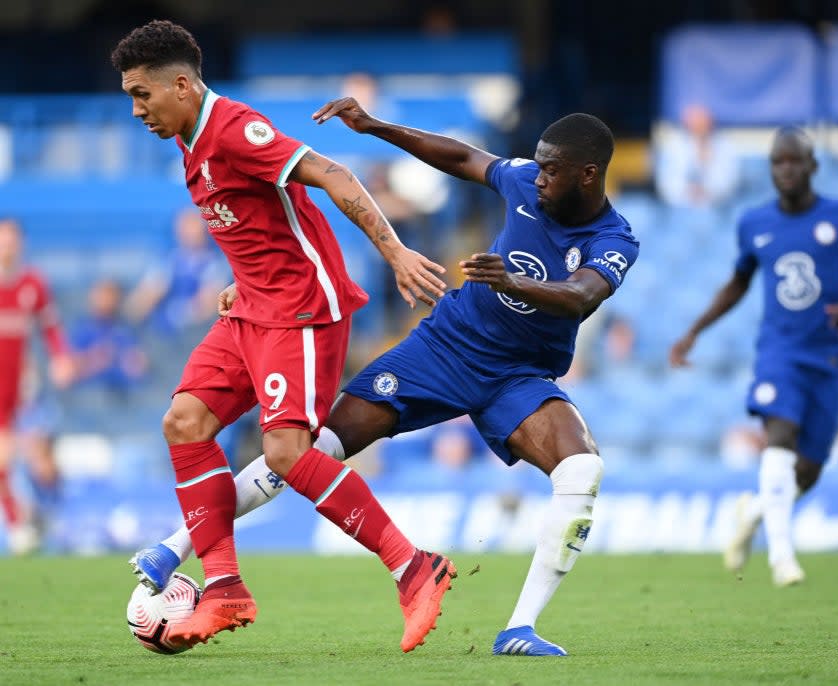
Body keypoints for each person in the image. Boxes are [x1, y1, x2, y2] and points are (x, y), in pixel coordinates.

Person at [136, 98, 639, 656]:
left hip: (518, 376)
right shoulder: (524, 182)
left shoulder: (614, 238)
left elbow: (579, 297)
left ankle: (519, 628)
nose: (538, 176)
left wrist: (514, 285)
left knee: (582, 469)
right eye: (538, 165)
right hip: (443, 348)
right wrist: (376, 128)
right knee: (307, 448)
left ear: (587, 174)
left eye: (551, 170)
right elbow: (462, 156)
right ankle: (178, 544)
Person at [110, 20, 454, 652]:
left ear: (181, 85)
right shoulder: (188, 141)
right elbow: (260, 223)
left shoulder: (236, 130)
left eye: (142, 94)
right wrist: (242, 280)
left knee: (288, 452)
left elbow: (335, 176)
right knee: (184, 422)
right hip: (253, 309)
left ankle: (414, 567)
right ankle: (223, 588)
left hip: (301, 310)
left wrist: (396, 253)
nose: (136, 109)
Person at [669, 127, 838, 586]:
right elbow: (738, 282)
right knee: (779, 431)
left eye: (795, 161)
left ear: (813, 166)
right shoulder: (754, 223)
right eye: (777, 162)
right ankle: (781, 556)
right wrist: (694, 330)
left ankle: (754, 511)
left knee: (809, 469)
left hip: (830, 356)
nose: (786, 169)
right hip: (780, 351)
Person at [0, 218, 75, 555]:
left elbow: (51, 327)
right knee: (3, 457)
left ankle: (42, 519)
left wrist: (60, 358)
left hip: (24, 387)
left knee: (40, 459)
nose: (8, 245)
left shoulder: (32, 283)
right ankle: (18, 525)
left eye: (13, 239)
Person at [125, 207, 231, 335]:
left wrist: (177, 315)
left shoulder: (216, 262)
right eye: (185, 226)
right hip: (165, 333)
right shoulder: (169, 260)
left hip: (198, 333)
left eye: (193, 226)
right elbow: (144, 297)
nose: (189, 232)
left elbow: (208, 304)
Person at [70, 278, 149, 395]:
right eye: (102, 296)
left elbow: (140, 365)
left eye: (110, 296)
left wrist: (129, 361)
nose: (106, 301)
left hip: (125, 393)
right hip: (90, 393)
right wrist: (94, 359)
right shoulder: (82, 329)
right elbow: (69, 368)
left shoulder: (127, 328)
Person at [655, 103, 741, 209]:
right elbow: (666, 185)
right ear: (687, 125)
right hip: (680, 208)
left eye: (703, 123)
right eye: (695, 124)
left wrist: (708, 190)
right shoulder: (674, 147)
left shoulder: (725, 146)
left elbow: (730, 183)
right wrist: (688, 191)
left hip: (717, 208)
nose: (700, 128)